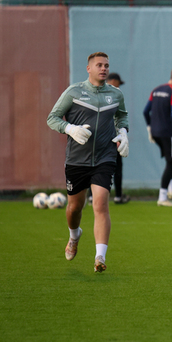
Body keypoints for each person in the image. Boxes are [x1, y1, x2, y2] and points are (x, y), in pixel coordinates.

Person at [47, 52, 129, 273]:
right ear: (88, 68)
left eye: (106, 65)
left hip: (105, 157)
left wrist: (123, 132)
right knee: (75, 208)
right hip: (77, 159)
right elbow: (52, 118)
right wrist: (70, 128)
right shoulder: (73, 92)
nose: (104, 68)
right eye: (99, 65)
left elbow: (122, 116)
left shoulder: (116, 94)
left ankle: (99, 257)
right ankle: (74, 236)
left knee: (100, 203)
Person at [143, 67, 172, 207]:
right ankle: (163, 197)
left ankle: (170, 187)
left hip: (155, 132)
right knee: (171, 161)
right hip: (167, 132)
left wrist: (149, 128)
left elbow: (146, 111)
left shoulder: (156, 90)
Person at [106, 72, 130, 204]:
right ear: (113, 81)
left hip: (105, 136)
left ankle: (92, 196)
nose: (119, 86)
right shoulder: (113, 96)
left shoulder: (100, 94)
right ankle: (118, 196)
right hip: (111, 136)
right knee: (116, 167)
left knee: (96, 166)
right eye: (118, 83)